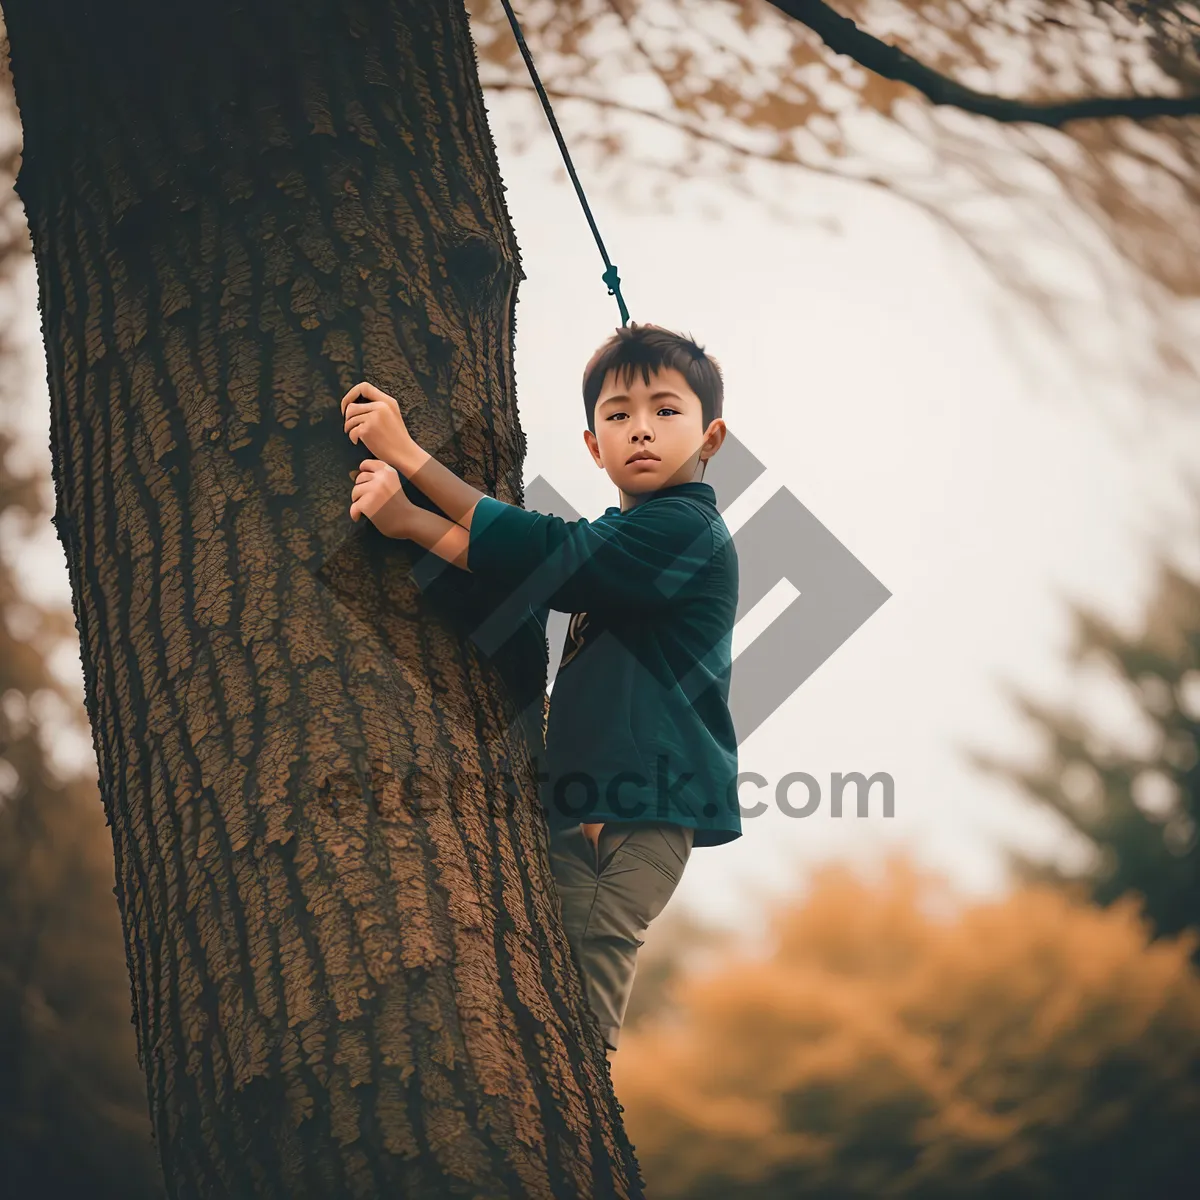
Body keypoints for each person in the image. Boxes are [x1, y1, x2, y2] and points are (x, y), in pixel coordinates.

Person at [342, 322, 741, 1058]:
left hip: (630, 814)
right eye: (618, 416)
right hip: (599, 808)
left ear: (711, 438)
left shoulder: (686, 531)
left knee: (575, 1024)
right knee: (550, 988)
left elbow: (550, 556)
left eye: (666, 411)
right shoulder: (625, 540)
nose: (641, 430)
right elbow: (541, 569)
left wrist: (408, 459)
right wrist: (407, 522)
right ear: (594, 446)